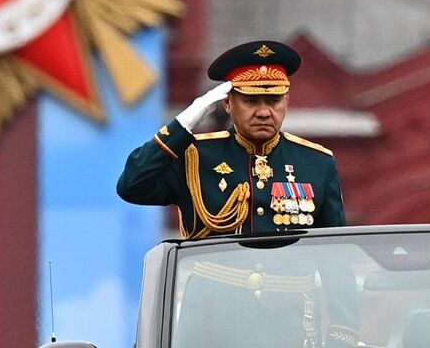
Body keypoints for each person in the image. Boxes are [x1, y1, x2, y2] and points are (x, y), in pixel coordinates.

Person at [117, 40, 346, 239]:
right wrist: (182, 124)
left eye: (274, 100)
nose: (264, 112)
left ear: (286, 101)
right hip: (216, 279)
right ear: (228, 104)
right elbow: (132, 186)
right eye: (250, 101)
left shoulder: (317, 162)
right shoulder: (194, 156)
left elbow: (334, 249)